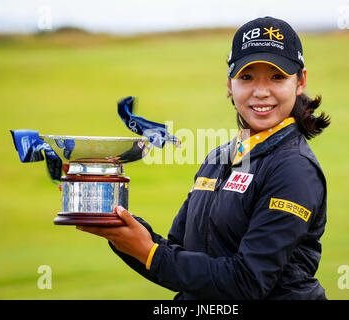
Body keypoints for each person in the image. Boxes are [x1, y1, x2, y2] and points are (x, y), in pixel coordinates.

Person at [77, 16, 331, 300]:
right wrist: (121, 228)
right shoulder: (220, 157)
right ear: (229, 84)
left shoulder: (294, 169)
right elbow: (179, 258)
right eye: (246, 77)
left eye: (277, 77)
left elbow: (247, 282)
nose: (261, 92)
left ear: (300, 82)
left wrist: (149, 252)